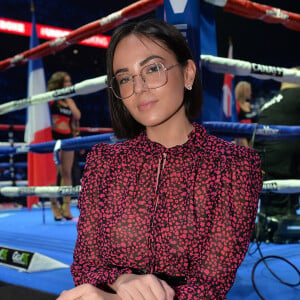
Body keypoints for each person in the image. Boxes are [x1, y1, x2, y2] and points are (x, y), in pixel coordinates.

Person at [57, 19, 262, 300]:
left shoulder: (234, 166)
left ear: (188, 73)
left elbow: (211, 285)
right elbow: (85, 264)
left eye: (152, 69)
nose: (138, 87)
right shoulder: (103, 161)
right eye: (125, 78)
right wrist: (121, 280)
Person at [254, 69, 300, 242]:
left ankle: (269, 223)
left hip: (264, 171)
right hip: (282, 167)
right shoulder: (297, 95)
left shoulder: (270, 102)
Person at [48, 71, 81, 220]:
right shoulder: (51, 98)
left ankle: (66, 207)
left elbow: (77, 116)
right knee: (53, 174)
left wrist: (70, 100)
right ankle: (54, 206)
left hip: (67, 138)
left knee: (66, 173)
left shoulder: (69, 100)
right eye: (66, 82)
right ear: (59, 83)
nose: (69, 84)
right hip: (53, 138)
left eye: (69, 81)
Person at [234, 81, 253, 147]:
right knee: (245, 154)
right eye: (249, 90)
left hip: (251, 133)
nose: (251, 93)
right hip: (241, 134)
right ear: (245, 91)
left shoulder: (248, 105)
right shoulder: (236, 106)